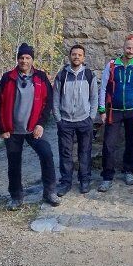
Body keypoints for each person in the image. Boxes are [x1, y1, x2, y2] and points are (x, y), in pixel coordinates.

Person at [0, 42, 59, 210]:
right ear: (17, 59)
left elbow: (48, 102)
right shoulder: (8, 78)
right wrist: (2, 128)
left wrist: (40, 124)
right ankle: (16, 196)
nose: (24, 61)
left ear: (32, 60)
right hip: (12, 130)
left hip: (33, 128)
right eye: (21, 57)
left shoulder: (41, 77)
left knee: (46, 154)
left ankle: (50, 191)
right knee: (14, 163)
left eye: (27, 57)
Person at [98, 34, 133, 189]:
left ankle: (129, 171)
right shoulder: (112, 65)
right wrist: (102, 110)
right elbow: (103, 88)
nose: (130, 51)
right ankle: (107, 176)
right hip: (114, 111)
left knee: (131, 143)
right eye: (128, 47)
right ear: (123, 47)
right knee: (108, 144)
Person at [53, 43, 99, 195]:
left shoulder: (89, 75)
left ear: (83, 57)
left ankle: (84, 180)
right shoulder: (61, 75)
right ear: (70, 56)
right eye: (74, 54)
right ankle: (66, 182)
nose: (76, 57)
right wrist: (58, 119)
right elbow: (55, 100)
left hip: (84, 120)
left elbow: (94, 98)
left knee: (84, 152)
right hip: (65, 121)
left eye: (79, 55)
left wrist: (91, 117)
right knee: (65, 153)